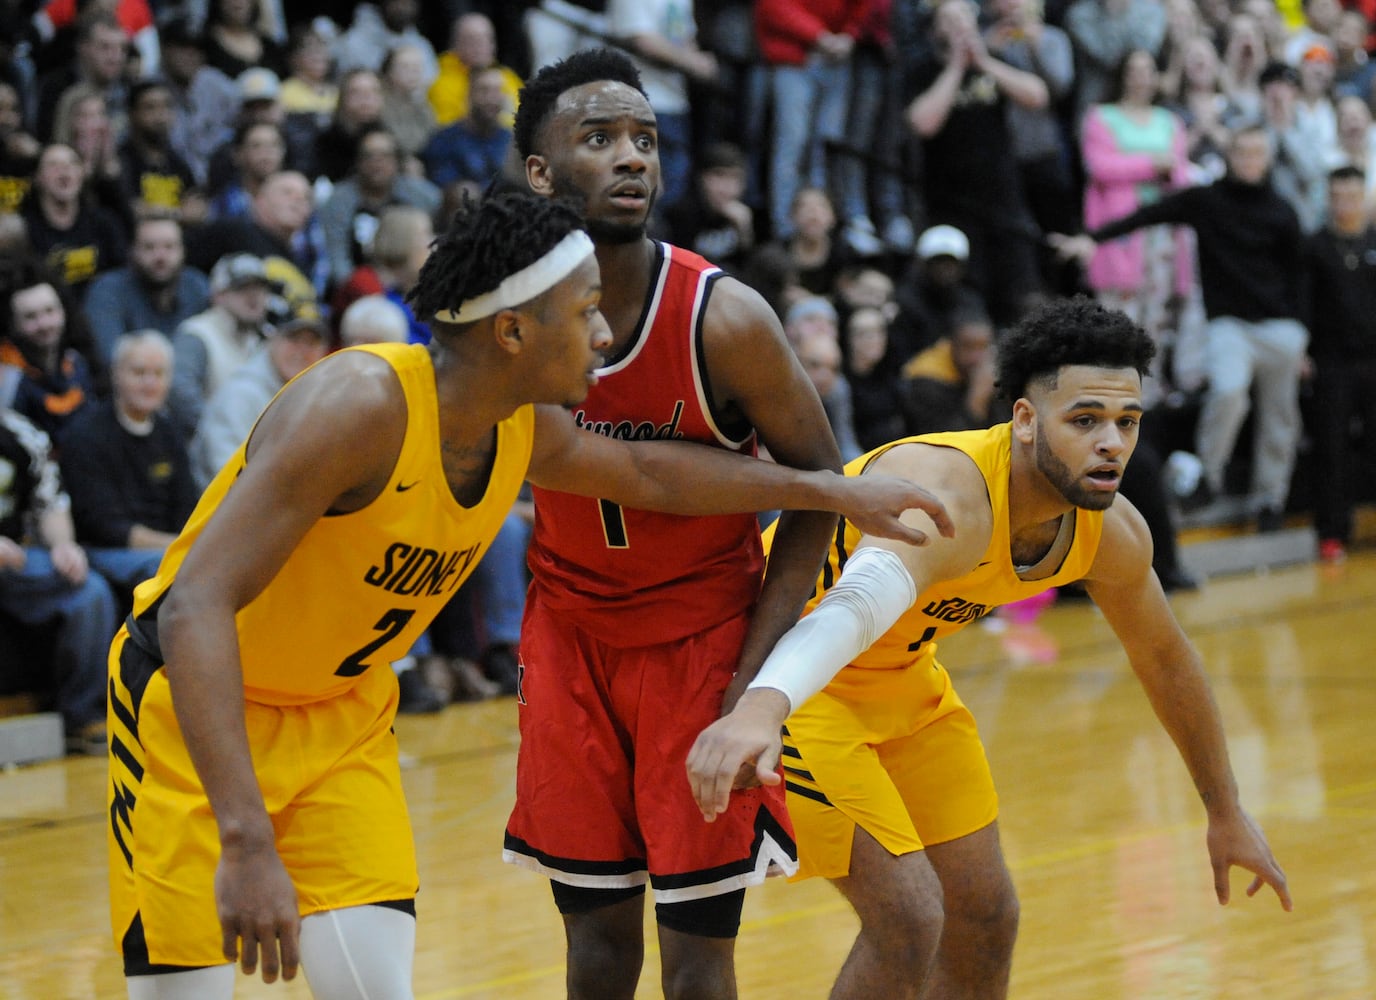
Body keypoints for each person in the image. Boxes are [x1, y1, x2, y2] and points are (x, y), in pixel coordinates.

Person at [105, 190, 946, 998]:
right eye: (583, 310)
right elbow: (193, 607)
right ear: (511, 329)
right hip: (195, 711)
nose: (604, 331)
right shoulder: (359, 406)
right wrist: (245, 836)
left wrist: (828, 492)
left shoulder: (522, 424)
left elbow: (642, 470)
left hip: (340, 717)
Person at [686, 296, 1293, 1000]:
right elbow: (851, 610)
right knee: (911, 919)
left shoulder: (1112, 532)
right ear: (1026, 420)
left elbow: (1165, 658)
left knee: (985, 916)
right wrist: (761, 706)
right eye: (1086, 420)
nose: (1112, 444)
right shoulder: (951, 491)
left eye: (1128, 422)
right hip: (787, 677)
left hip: (901, 680)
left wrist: (1225, 809)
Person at [504, 48, 898, 999]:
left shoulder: (725, 319)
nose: (633, 158)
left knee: (697, 965)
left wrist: (754, 676)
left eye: (646, 139)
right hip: (569, 637)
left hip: (701, 648)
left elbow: (816, 488)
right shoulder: (511, 315)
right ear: (540, 173)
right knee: (594, 956)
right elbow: (624, 467)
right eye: (599, 139)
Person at [1055, 123, 1309, 532]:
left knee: (1281, 418)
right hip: (1230, 326)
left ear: (1267, 158)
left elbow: (1300, 275)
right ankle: (1207, 478)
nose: (1249, 160)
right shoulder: (1206, 201)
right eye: (1242, 151)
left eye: (1257, 152)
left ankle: (1270, 500)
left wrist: (1302, 333)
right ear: (1230, 156)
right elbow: (1147, 214)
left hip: (1281, 329)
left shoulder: (1282, 210)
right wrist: (1093, 238)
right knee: (1228, 393)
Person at [1, 402, 115, 755]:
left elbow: (49, 501)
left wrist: (63, 545)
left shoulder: (21, 433)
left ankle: (81, 717)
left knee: (88, 590)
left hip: (15, 560)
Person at [58, 329, 197, 603]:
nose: (150, 383)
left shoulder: (169, 431)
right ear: (116, 374)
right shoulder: (86, 434)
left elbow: (187, 505)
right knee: (168, 569)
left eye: (159, 374)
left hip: (164, 548)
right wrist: (179, 547)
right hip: (101, 551)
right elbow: (104, 526)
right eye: (139, 372)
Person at [1301, 165, 1376, 564]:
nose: (1345, 203)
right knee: (1331, 449)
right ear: (1329, 199)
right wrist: (1302, 350)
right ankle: (1332, 534)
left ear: (1363, 197)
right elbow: (1301, 302)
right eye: (1338, 196)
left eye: (1352, 195)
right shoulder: (1314, 246)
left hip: (1373, 358)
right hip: (1331, 362)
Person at [83, 215, 211, 368]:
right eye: (149, 247)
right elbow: (110, 359)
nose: (160, 257)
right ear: (133, 251)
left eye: (169, 247)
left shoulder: (197, 286)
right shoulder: (107, 291)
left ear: (183, 251)